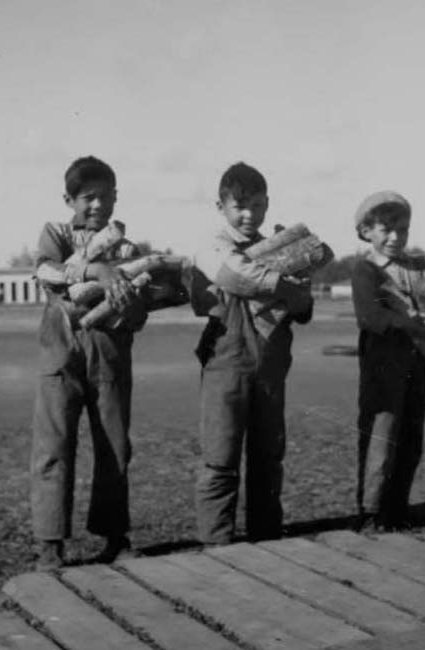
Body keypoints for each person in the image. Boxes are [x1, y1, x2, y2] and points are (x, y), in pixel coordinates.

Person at [31, 156, 147, 569]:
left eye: (105, 197)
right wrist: (98, 268)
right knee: (53, 446)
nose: (97, 206)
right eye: (87, 197)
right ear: (69, 199)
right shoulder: (56, 233)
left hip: (110, 353)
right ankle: (49, 543)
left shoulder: (129, 247)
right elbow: (47, 271)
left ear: (117, 197)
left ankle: (115, 536)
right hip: (60, 351)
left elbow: (141, 306)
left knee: (115, 446)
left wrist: (132, 301)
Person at [189, 161, 314, 545]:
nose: (248, 214)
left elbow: (303, 309)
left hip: (272, 361)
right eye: (239, 205)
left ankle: (266, 536)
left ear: (267, 204)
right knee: (220, 457)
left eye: (257, 205)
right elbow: (234, 276)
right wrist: (285, 286)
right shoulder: (214, 247)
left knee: (268, 455)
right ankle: (217, 543)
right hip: (227, 360)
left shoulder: (282, 248)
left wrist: (298, 292)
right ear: (220, 206)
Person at [351, 190, 425, 530]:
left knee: (412, 436)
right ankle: (372, 511)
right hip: (383, 366)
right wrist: (415, 324)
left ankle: (398, 507)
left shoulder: (424, 267)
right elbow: (371, 318)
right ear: (366, 231)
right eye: (385, 229)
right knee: (380, 437)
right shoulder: (366, 270)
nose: (395, 236)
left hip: (420, 365)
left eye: (402, 229)